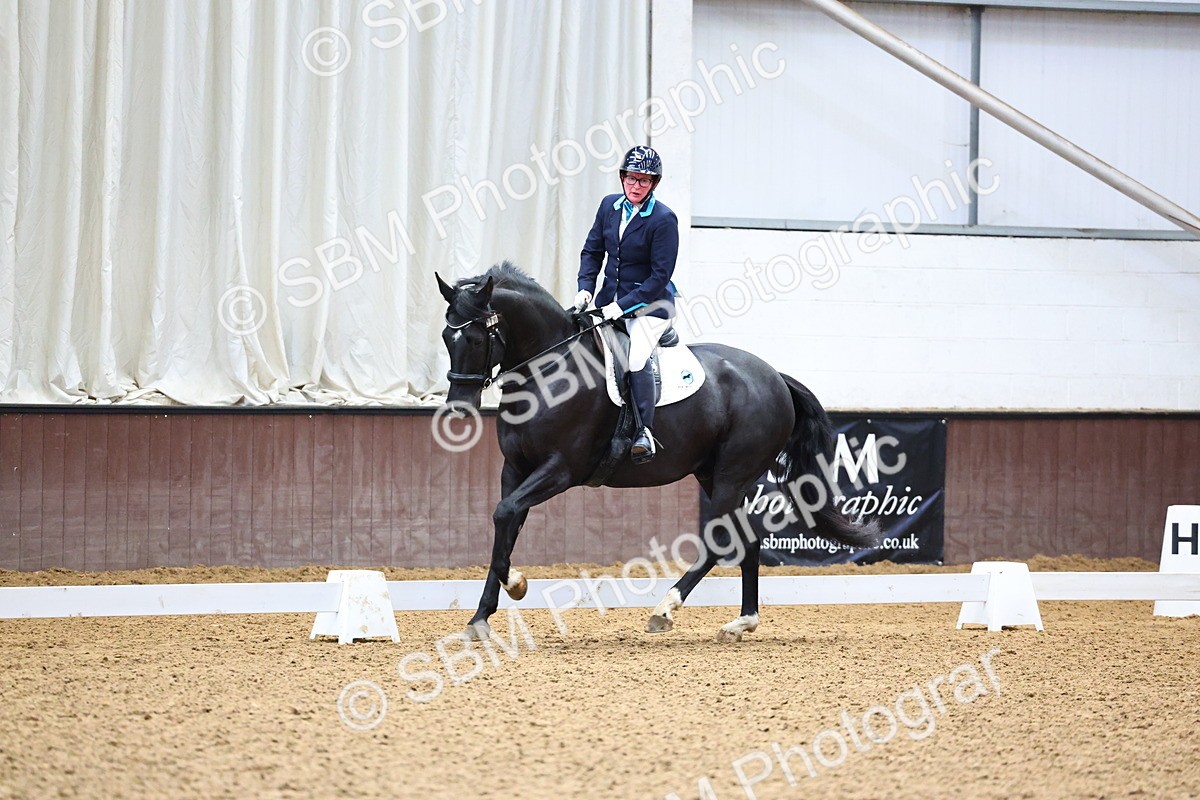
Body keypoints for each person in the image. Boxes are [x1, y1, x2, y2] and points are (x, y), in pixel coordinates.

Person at [573, 145, 679, 464]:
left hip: (651, 305)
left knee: (635, 360)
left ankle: (644, 431)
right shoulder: (609, 206)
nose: (636, 186)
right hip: (608, 301)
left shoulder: (663, 219)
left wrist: (624, 307)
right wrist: (584, 289)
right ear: (623, 178)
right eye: (632, 178)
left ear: (653, 185)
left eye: (644, 181)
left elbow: (660, 276)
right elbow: (592, 252)